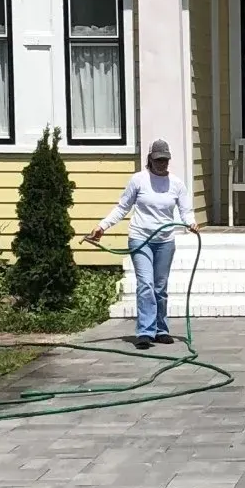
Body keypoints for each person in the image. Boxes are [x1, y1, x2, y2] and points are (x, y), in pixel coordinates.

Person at [86, 140, 188, 349]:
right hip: (140, 239)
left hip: (165, 241)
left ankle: (161, 329)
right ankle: (145, 331)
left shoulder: (176, 184)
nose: (162, 164)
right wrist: (102, 226)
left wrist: (191, 223)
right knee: (145, 284)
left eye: (165, 160)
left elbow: (186, 211)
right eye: (158, 160)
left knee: (160, 287)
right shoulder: (138, 180)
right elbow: (122, 207)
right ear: (150, 159)